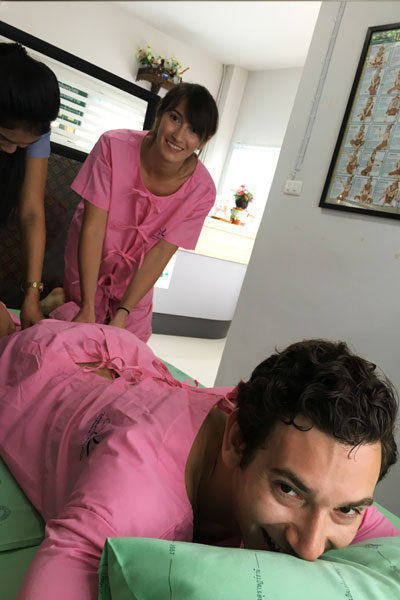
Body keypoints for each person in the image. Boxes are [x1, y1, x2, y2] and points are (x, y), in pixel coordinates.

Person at [0, 312, 398, 599]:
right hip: (41, 367)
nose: (310, 548)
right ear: (237, 441)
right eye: (289, 491)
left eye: (346, 510)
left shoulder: (326, 479)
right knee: (15, 337)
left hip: (130, 360)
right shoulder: (128, 501)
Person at [48, 83, 218, 342]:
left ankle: (69, 302)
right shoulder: (112, 145)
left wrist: (123, 312)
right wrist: (87, 308)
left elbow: (160, 254)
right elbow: (92, 228)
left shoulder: (202, 190)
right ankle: (61, 301)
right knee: (80, 333)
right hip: (92, 255)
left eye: (194, 131)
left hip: (137, 274)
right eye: (175, 119)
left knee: (127, 348)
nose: (179, 136)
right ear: (160, 114)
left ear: (203, 141)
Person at [0, 42, 60, 334]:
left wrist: (32, 294)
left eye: (24, 147)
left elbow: (32, 211)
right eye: (5, 139)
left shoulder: (36, 132)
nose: (12, 152)